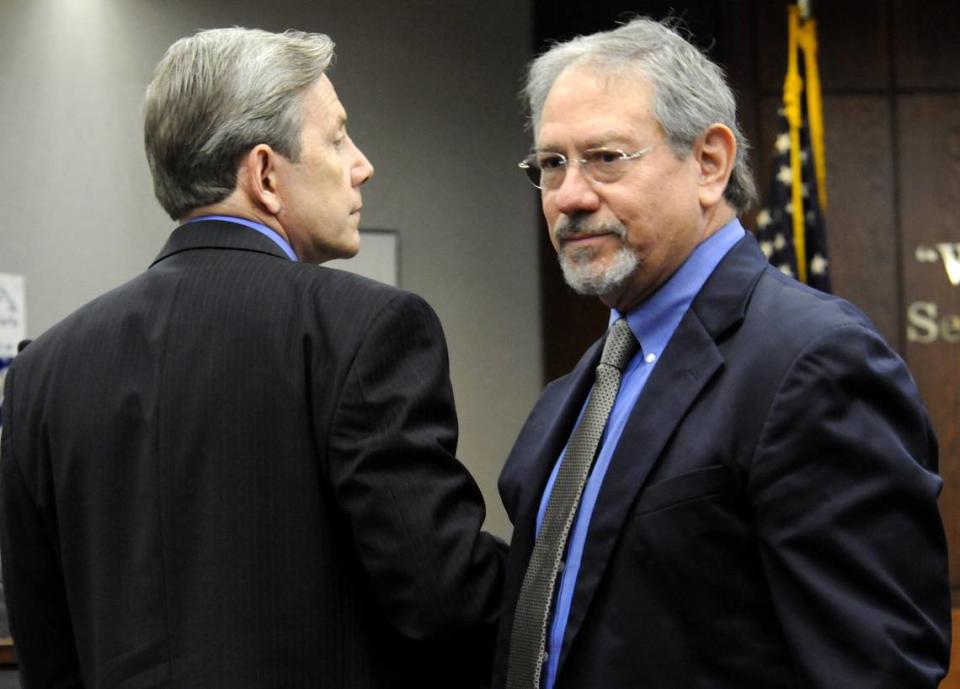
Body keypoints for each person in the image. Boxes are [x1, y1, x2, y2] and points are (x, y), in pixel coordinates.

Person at [0, 28, 505, 689]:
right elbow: (445, 600)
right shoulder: (364, 328)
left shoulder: (40, 375)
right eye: (338, 137)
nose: (363, 164)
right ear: (265, 172)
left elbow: (45, 645)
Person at [494, 17, 951, 689]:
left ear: (710, 161)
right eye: (552, 164)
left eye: (605, 158)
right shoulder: (577, 392)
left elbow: (876, 669)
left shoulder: (812, 361)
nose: (571, 196)